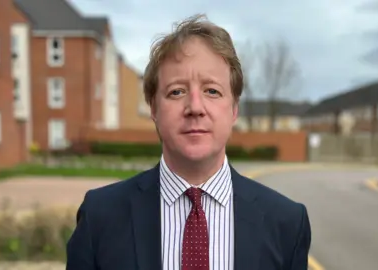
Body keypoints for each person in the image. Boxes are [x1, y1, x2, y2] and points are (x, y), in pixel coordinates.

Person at [66, 13, 311, 270]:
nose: (195, 107)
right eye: (177, 91)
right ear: (154, 108)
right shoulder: (100, 217)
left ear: (234, 110)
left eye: (212, 91)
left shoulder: (286, 223)